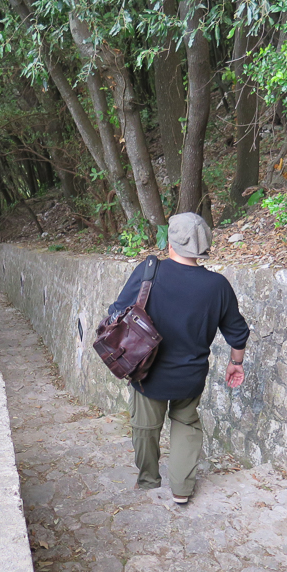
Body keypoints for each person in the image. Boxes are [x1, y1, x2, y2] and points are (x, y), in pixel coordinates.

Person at [107, 212, 250, 505]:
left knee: (145, 428)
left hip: (147, 372)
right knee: (186, 424)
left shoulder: (149, 272)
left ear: (171, 243)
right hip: (190, 376)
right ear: (205, 245)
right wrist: (236, 363)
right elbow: (237, 333)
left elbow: (117, 311)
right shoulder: (217, 285)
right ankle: (182, 490)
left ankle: (148, 480)